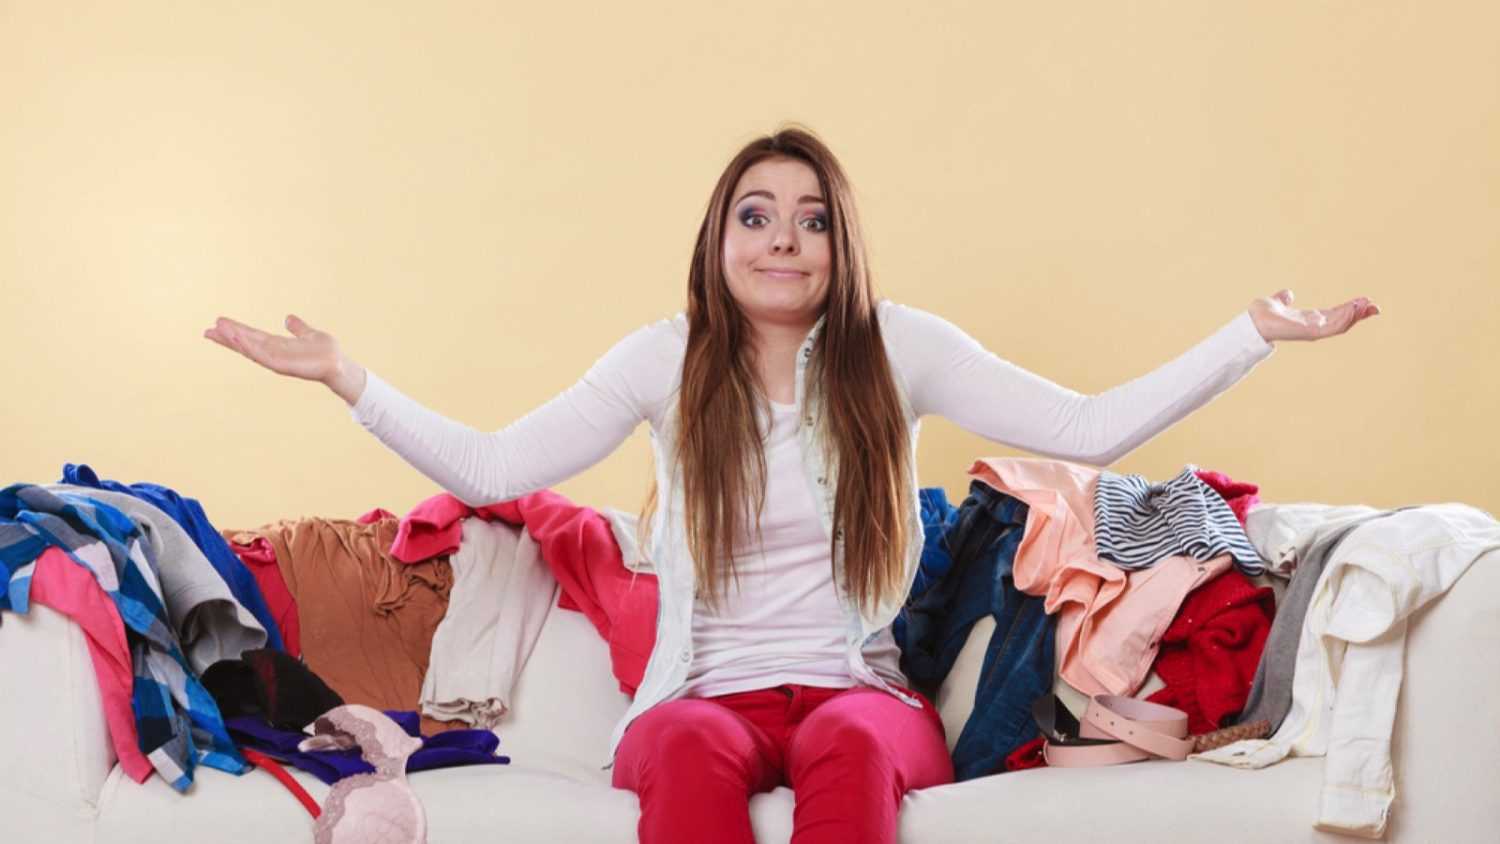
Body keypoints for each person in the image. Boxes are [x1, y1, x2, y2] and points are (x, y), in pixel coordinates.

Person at [204, 125, 1379, 844]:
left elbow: (1085, 426)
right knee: (690, 753)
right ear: (720, 239)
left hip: (855, 695)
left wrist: (1251, 334)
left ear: (840, 244)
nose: (783, 239)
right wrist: (349, 378)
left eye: (811, 221)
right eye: (757, 216)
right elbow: (497, 467)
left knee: (858, 749)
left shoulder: (898, 347)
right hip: (701, 702)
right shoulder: (662, 358)